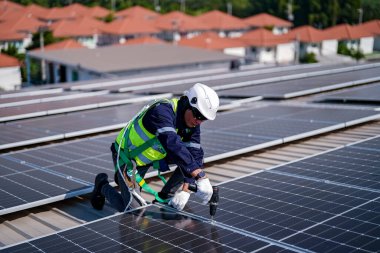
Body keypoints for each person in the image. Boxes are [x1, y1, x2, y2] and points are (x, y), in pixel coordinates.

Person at [91, 83, 220, 212]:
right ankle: (102, 185)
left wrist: (186, 189)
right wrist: (200, 176)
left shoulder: (192, 124)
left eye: (203, 119)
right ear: (187, 104)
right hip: (128, 158)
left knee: (193, 160)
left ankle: (165, 195)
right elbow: (171, 141)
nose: (199, 121)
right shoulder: (161, 111)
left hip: (150, 158)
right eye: (198, 115)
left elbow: (195, 154)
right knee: (133, 209)